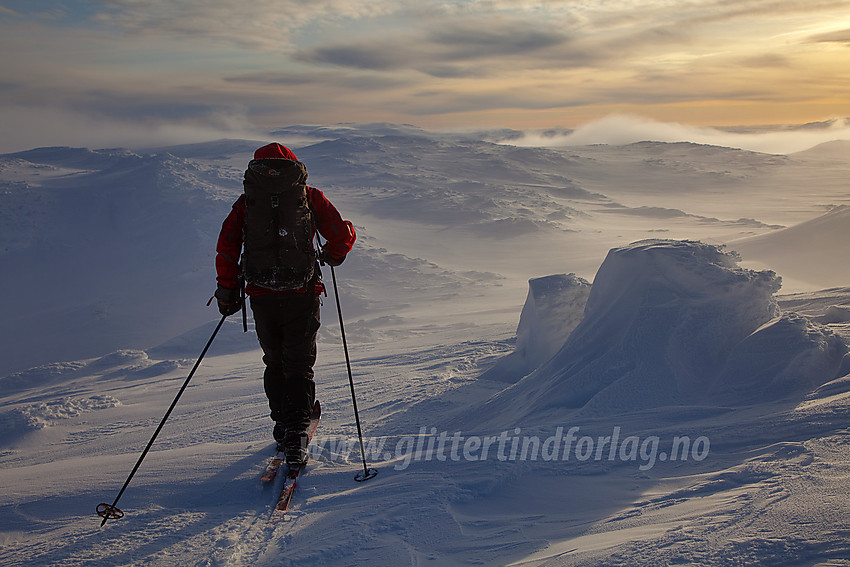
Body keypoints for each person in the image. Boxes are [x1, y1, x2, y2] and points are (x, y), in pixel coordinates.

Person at [214, 142, 356, 465]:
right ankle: (297, 434)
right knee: (299, 362)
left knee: (275, 360)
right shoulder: (307, 196)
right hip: (301, 294)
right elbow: (341, 235)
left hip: (262, 296)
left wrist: (227, 292)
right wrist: (333, 255)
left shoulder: (248, 203)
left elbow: (227, 246)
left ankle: (282, 425)